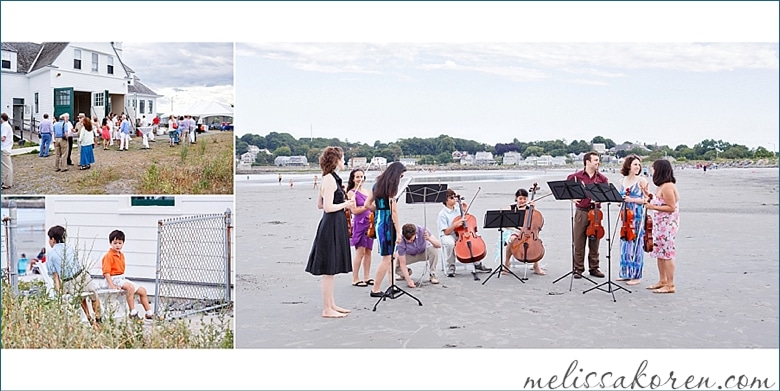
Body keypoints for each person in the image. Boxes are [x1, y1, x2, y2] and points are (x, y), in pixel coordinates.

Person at [305, 146, 354, 318]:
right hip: (331, 224)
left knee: (331, 270)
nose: (344, 161)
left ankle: (332, 304)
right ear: (335, 160)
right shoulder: (329, 180)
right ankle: (327, 309)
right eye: (342, 158)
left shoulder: (329, 178)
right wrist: (345, 204)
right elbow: (326, 207)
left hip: (334, 223)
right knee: (328, 270)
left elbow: (319, 204)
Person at [45, 225, 102, 323]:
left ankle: (91, 321)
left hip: (69, 281)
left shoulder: (51, 254)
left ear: (53, 239)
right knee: (94, 296)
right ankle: (99, 320)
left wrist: (58, 293)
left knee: (81, 299)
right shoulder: (70, 248)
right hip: (82, 276)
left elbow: (55, 276)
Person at [366, 161, 407, 297]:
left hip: (379, 222)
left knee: (392, 256)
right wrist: (399, 231)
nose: (401, 179)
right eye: (400, 176)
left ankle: (392, 284)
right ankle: (375, 289)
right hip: (387, 225)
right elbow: (393, 211)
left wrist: (379, 212)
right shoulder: (391, 189)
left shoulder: (376, 186)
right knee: (387, 258)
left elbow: (367, 204)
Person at [437, 188, 492, 277]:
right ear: (445, 200)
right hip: (449, 235)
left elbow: (468, 222)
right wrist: (455, 225)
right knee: (449, 243)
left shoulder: (459, 209)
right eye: (452, 198)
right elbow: (446, 232)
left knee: (471, 241)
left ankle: (477, 263)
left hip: (461, 233)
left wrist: (465, 211)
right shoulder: (442, 214)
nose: (454, 199)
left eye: (454, 197)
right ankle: (451, 266)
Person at [101, 229, 154, 319]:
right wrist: (112, 285)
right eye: (115, 243)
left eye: (120, 243)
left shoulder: (121, 255)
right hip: (113, 279)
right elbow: (106, 272)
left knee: (142, 291)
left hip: (121, 278)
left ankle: (149, 313)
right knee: (130, 287)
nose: (117, 245)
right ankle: (132, 312)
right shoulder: (108, 256)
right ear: (110, 243)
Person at [644, 159, 680, 294]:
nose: (651, 171)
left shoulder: (668, 186)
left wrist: (652, 206)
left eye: (653, 169)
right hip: (659, 225)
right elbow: (658, 201)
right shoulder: (661, 186)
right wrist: (648, 195)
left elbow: (671, 207)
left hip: (667, 225)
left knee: (667, 254)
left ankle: (670, 284)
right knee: (660, 253)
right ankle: (662, 280)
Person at [617, 155, 649, 286]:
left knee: (636, 244)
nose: (638, 167)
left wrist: (633, 200)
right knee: (625, 244)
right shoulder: (622, 181)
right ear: (628, 166)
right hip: (625, 216)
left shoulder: (642, 181)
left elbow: (648, 199)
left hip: (637, 215)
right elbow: (619, 199)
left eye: (639, 165)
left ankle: (636, 275)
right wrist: (620, 201)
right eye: (635, 164)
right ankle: (625, 273)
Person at [503, 188, 545, 276]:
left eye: (525, 198)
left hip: (528, 233)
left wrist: (534, 208)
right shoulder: (511, 208)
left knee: (534, 243)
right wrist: (518, 229)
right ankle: (507, 263)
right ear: (516, 198)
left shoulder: (529, 209)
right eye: (520, 198)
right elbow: (506, 224)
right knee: (512, 239)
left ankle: (536, 266)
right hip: (512, 230)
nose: (522, 201)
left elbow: (536, 221)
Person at [346, 168, 374, 287]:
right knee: (360, 251)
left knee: (368, 251)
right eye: (357, 177)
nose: (359, 179)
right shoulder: (351, 193)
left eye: (361, 176)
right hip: (360, 224)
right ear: (353, 179)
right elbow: (354, 211)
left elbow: (372, 206)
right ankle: (355, 278)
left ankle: (367, 277)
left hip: (370, 223)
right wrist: (368, 207)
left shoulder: (367, 191)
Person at [1, 113, 12, 189]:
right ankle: (5, 181)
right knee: (7, 166)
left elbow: (3, 138)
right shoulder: (6, 126)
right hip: (6, 148)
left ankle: (8, 183)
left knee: (7, 167)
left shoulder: (5, 126)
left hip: (4, 148)